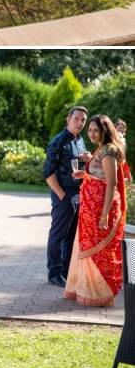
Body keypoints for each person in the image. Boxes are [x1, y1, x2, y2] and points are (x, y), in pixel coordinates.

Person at [65, 114, 129, 308]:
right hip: (90, 210)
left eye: (96, 130)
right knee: (88, 247)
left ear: (104, 131)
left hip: (101, 209)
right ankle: (85, 288)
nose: (92, 133)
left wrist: (104, 215)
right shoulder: (101, 149)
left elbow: (110, 184)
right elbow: (97, 175)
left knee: (100, 252)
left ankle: (99, 292)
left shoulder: (109, 151)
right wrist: (83, 174)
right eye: (90, 130)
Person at [43, 105, 88, 288]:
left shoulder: (80, 141)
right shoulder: (58, 141)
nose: (79, 123)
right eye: (76, 118)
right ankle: (54, 274)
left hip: (78, 194)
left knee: (71, 235)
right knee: (58, 234)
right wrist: (61, 195)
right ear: (68, 119)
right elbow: (48, 172)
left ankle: (66, 272)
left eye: (83, 120)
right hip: (63, 194)